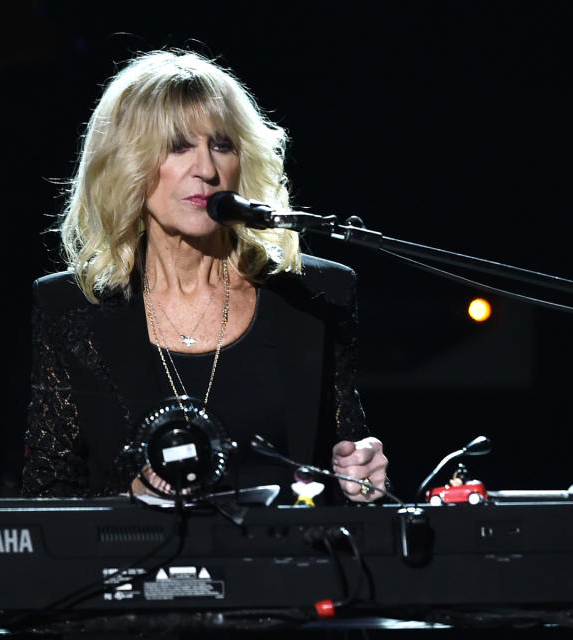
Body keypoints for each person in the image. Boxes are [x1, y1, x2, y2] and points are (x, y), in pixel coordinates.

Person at [22, 50, 388, 503]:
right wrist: (127, 499)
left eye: (221, 145)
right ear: (128, 163)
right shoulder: (71, 307)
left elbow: (349, 469)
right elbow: (46, 496)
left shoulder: (313, 296)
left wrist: (362, 477)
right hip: (137, 567)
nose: (208, 170)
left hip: (282, 568)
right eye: (178, 147)